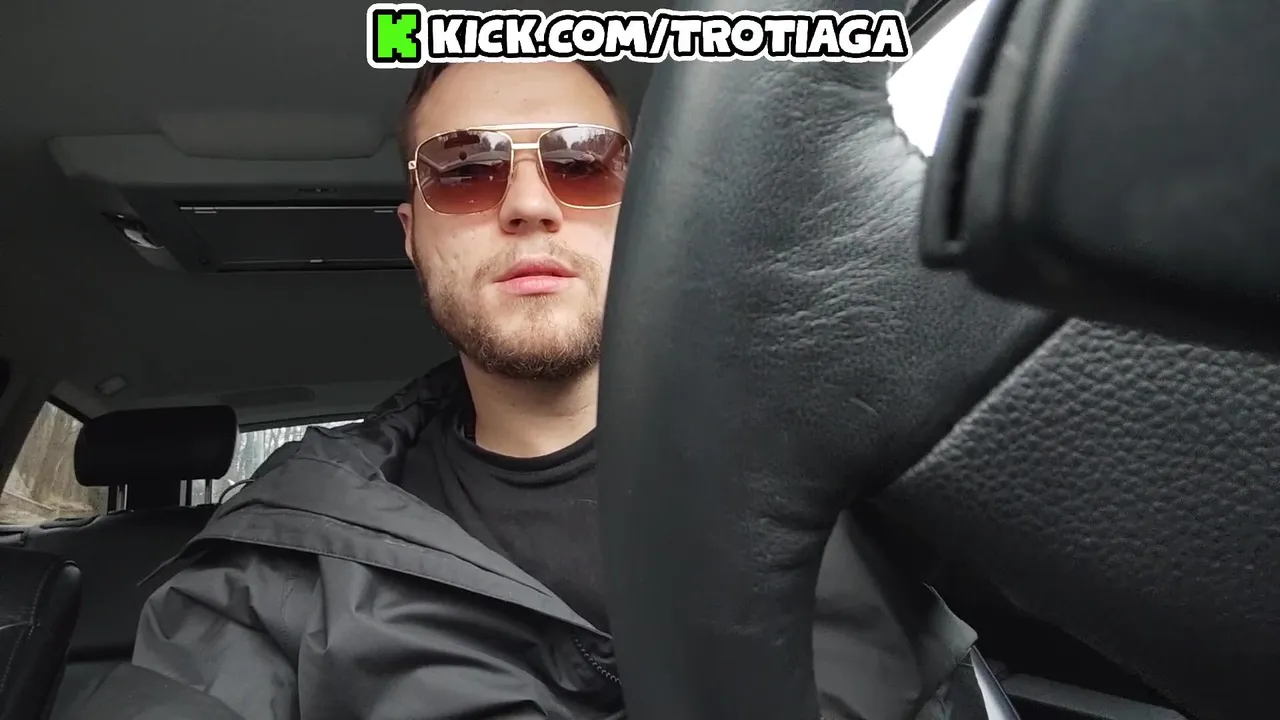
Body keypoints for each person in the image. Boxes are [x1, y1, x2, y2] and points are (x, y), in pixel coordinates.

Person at [125, 60, 975, 720]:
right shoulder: (277, 567)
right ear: (411, 234)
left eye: (582, 162)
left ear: (646, 208)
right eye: (465, 168)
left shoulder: (844, 456)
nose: (530, 204)